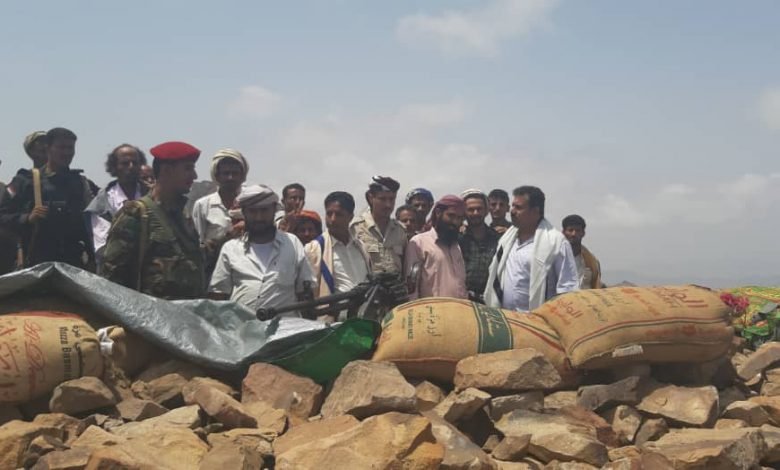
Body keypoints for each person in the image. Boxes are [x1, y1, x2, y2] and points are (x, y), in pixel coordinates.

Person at [101, 141, 205, 299]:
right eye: (188, 168)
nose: (194, 176)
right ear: (167, 171)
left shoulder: (182, 215)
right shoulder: (137, 214)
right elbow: (112, 276)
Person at [209, 185, 316, 313]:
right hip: (240, 325)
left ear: (274, 210)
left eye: (264, 210)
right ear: (244, 213)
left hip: (285, 324)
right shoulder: (231, 248)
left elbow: (305, 292)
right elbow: (218, 295)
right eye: (253, 211)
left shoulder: (292, 244)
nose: (259, 217)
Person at [0, 127, 95, 270]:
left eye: (70, 148)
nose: (67, 153)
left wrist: (92, 258)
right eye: (61, 147)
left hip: (73, 264)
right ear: (48, 148)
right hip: (35, 264)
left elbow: (92, 225)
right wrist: (27, 218)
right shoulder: (25, 181)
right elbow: (3, 216)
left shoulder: (81, 183)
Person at [484, 186, 579, 312]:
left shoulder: (555, 242)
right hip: (506, 317)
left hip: (538, 320)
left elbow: (567, 288)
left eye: (518, 207)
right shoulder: (507, 239)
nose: (512, 211)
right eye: (513, 206)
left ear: (535, 211)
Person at [86, 144, 148, 262]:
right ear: (114, 167)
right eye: (125, 163)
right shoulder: (104, 202)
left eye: (135, 163)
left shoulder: (152, 195)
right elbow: (102, 247)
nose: (131, 167)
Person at [192, 149, 249, 277]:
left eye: (235, 173)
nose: (230, 177)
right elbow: (198, 245)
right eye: (226, 173)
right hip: (214, 272)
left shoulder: (252, 202)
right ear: (217, 176)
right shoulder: (203, 205)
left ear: (242, 176)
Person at [304, 191, 370, 298]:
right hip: (335, 307)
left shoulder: (360, 246)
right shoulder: (314, 249)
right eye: (329, 214)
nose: (333, 219)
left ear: (350, 217)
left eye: (339, 214)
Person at [405, 195, 468, 300]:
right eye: (451, 216)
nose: (455, 222)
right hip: (430, 309)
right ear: (438, 213)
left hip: (459, 308)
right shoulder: (418, 243)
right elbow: (412, 289)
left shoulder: (457, 245)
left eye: (459, 218)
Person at [351, 176, 407, 275]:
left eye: (392, 199)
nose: (388, 205)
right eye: (382, 199)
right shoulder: (355, 228)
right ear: (370, 198)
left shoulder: (401, 230)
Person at [459, 189, 500, 302]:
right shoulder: (457, 239)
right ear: (464, 212)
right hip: (462, 300)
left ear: (486, 211)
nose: (475, 213)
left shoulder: (499, 239)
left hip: (491, 301)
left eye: (479, 209)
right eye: (471, 210)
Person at [561, 214, 603, 289]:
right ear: (563, 232)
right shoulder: (555, 259)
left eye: (577, 230)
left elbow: (596, 285)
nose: (574, 234)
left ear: (583, 233)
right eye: (570, 230)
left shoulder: (592, 262)